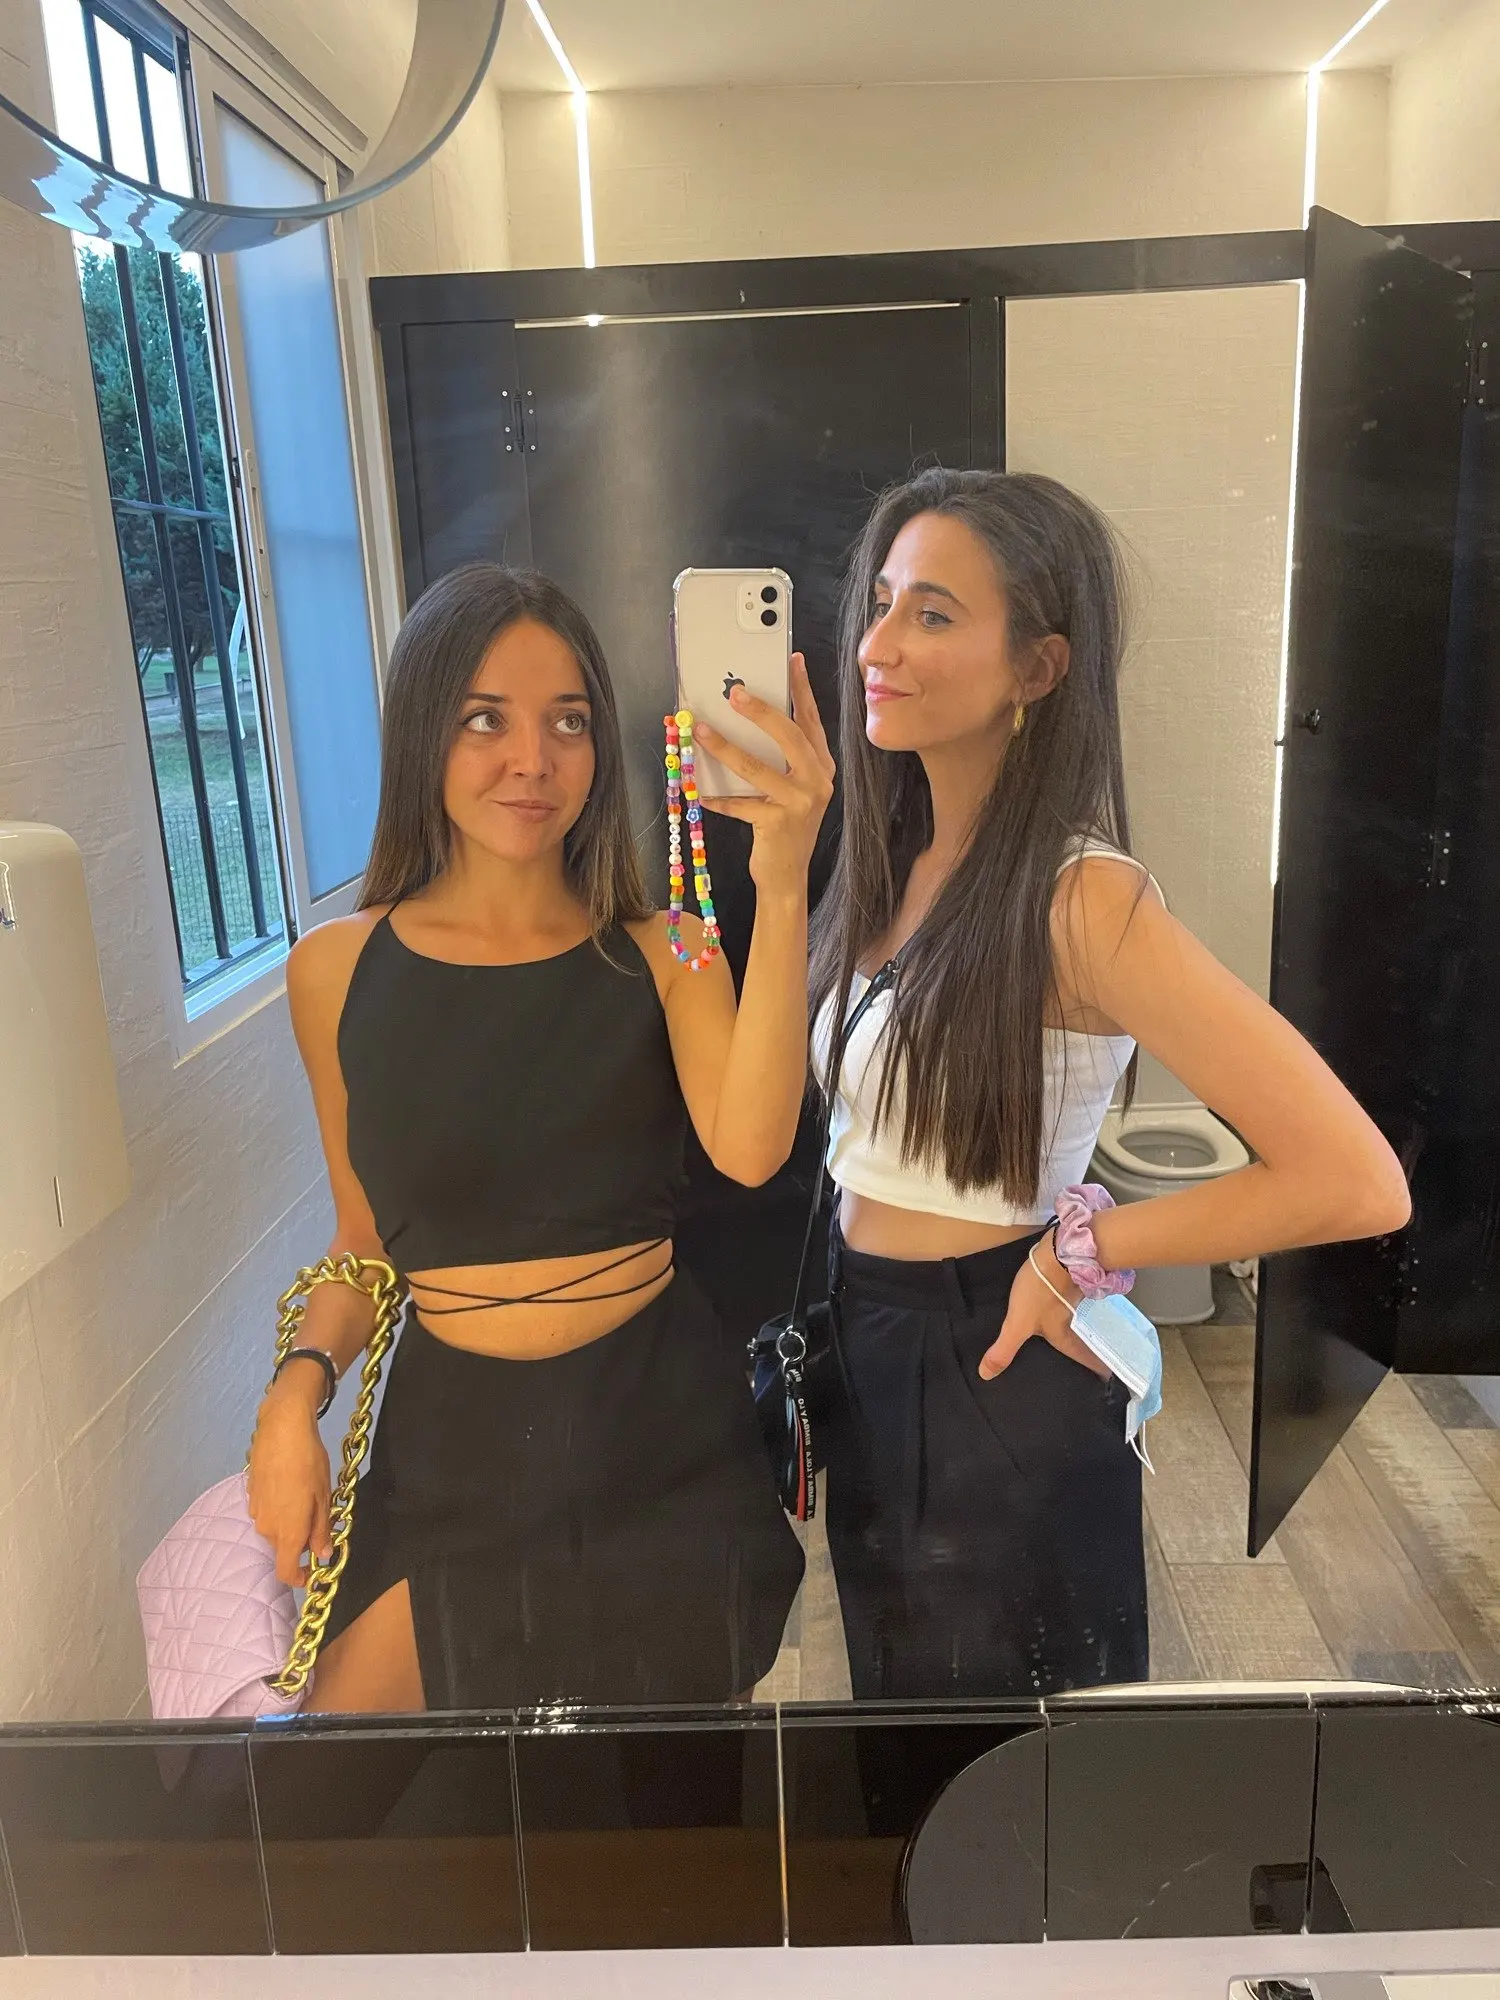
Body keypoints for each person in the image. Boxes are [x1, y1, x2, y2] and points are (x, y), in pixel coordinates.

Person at [809, 467, 1412, 1701]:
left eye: (933, 612)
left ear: (1038, 669)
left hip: (990, 1348)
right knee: (898, 1722)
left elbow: (1354, 1178)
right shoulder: (890, 865)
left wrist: (1081, 1250)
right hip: (864, 1332)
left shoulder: (1084, 898)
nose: (877, 644)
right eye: (881, 603)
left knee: (1014, 1754)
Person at [247, 562, 833, 1713]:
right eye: (486, 719)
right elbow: (365, 1241)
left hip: (655, 1436)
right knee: (350, 1784)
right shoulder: (334, 970)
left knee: (650, 1802)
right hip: (454, 1449)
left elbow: (754, 1149)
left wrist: (782, 875)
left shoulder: (667, 947)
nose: (534, 759)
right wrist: (292, 1395)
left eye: (568, 721)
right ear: (423, 732)